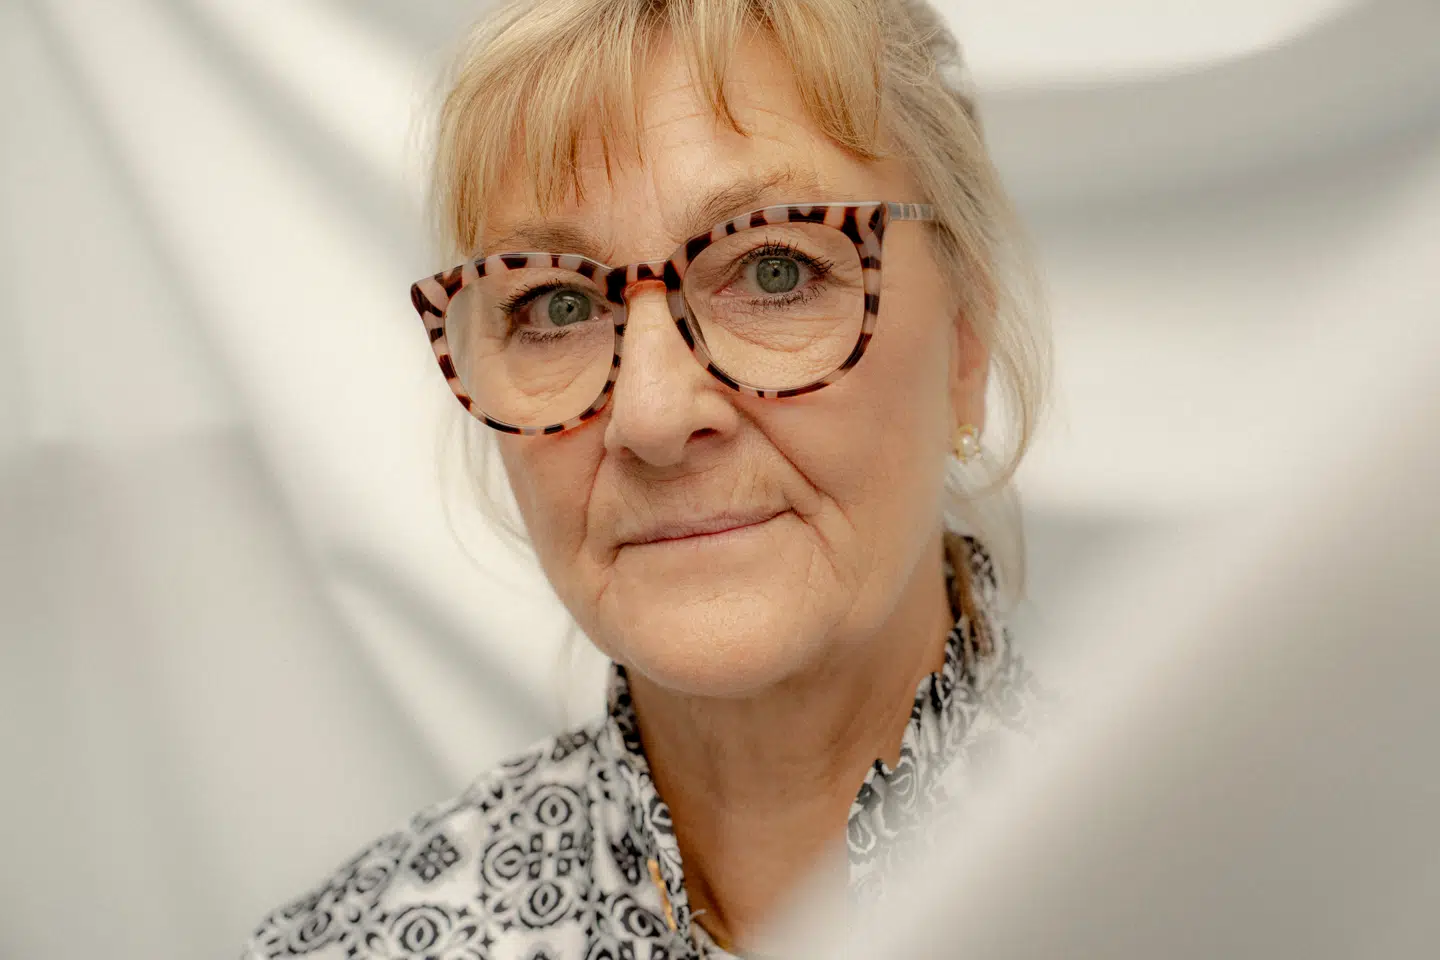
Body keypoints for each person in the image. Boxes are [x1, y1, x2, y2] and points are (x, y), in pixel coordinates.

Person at [242, 0, 1049, 957]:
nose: (655, 416)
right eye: (557, 304)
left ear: (965, 341)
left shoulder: (1198, 893)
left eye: (775, 269)